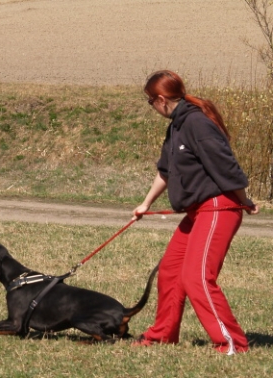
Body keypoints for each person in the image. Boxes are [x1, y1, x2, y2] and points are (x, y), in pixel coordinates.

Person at [132, 70, 259, 354]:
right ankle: (162, 335)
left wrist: (245, 200)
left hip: (218, 207)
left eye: (150, 101)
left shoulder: (197, 124)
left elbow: (226, 166)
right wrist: (145, 204)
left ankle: (232, 344)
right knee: (170, 272)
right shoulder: (176, 125)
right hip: (197, 212)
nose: (151, 107)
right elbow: (166, 171)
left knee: (197, 277)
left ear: (161, 99)